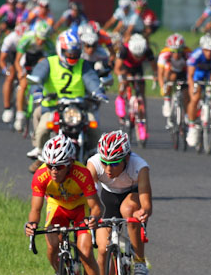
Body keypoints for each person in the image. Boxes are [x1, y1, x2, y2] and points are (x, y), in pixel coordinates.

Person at [25, 134, 106, 275]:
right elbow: (35, 209)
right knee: (52, 243)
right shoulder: (41, 175)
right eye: (50, 165)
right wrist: (32, 225)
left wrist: (93, 219)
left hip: (81, 209)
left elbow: (96, 207)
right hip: (58, 207)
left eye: (59, 166)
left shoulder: (82, 173)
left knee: (86, 252)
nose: (53, 170)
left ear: (69, 163)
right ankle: (59, 274)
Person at [87, 131, 152, 275]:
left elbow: (146, 202)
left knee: (130, 210)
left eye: (114, 163)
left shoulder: (139, 167)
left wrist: (144, 212)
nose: (108, 168)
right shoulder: (94, 164)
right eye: (105, 162)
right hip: (108, 200)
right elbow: (87, 196)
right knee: (102, 250)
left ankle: (139, 262)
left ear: (126, 158)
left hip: (131, 197)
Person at [26, 30, 107, 173]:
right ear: (60, 49)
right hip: (53, 107)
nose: (72, 57)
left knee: (94, 124)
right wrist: (37, 91)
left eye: (75, 53)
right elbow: (36, 78)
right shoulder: (49, 63)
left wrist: (98, 91)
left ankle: (94, 154)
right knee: (44, 127)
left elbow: (91, 79)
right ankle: (41, 153)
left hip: (79, 108)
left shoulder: (84, 65)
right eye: (69, 53)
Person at [113, 33, 157, 140]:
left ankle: (141, 123)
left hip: (138, 69)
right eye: (135, 55)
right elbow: (117, 69)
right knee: (125, 80)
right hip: (125, 67)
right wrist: (122, 76)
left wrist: (155, 76)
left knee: (141, 94)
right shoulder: (124, 50)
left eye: (140, 56)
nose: (138, 58)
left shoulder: (147, 50)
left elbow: (154, 67)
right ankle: (120, 99)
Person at [13, 20, 54, 132]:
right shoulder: (27, 39)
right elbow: (17, 61)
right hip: (25, 59)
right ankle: (19, 115)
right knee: (24, 84)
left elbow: (53, 62)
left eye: (43, 40)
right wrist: (20, 72)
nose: (40, 42)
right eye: (39, 38)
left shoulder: (49, 44)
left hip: (39, 60)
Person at [185, 33, 211, 147]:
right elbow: (190, 76)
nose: (209, 53)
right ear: (202, 49)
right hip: (198, 75)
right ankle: (192, 126)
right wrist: (193, 88)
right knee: (195, 98)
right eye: (206, 50)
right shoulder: (196, 55)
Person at [156, 32, 191, 121]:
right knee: (170, 76)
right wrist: (162, 87)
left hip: (184, 72)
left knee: (187, 94)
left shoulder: (188, 53)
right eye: (174, 51)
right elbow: (160, 73)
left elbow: (192, 71)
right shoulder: (164, 54)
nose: (177, 54)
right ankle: (167, 100)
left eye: (179, 51)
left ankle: (186, 115)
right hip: (170, 71)